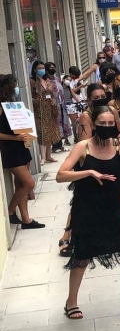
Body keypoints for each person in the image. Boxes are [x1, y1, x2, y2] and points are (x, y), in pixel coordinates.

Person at [56, 105, 120, 320]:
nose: (107, 127)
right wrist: (88, 172)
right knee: (82, 257)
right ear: (94, 124)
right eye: (102, 124)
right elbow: (61, 175)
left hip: (114, 207)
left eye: (111, 124)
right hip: (87, 209)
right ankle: (71, 302)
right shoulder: (83, 147)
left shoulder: (117, 144)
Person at [0, 75, 45, 229]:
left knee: (20, 183)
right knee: (29, 183)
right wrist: (15, 138)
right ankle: (9, 212)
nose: (16, 88)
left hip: (21, 146)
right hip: (10, 149)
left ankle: (26, 219)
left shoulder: (11, 105)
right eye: (15, 85)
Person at [30, 61, 62, 165]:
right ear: (35, 69)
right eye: (39, 68)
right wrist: (36, 101)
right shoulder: (32, 82)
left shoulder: (46, 79)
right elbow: (31, 97)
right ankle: (42, 157)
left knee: (51, 132)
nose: (41, 70)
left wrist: (53, 101)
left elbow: (51, 93)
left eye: (43, 68)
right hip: (40, 110)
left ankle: (48, 156)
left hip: (50, 108)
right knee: (42, 133)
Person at [45, 62, 72, 151]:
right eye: (51, 67)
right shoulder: (45, 80)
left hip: (61, 104)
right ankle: (55, 145)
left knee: (63, 122)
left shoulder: (57, 79)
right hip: (53, 105)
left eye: (54, 67)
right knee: (56, 123)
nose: (53, 69)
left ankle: (60, 144)